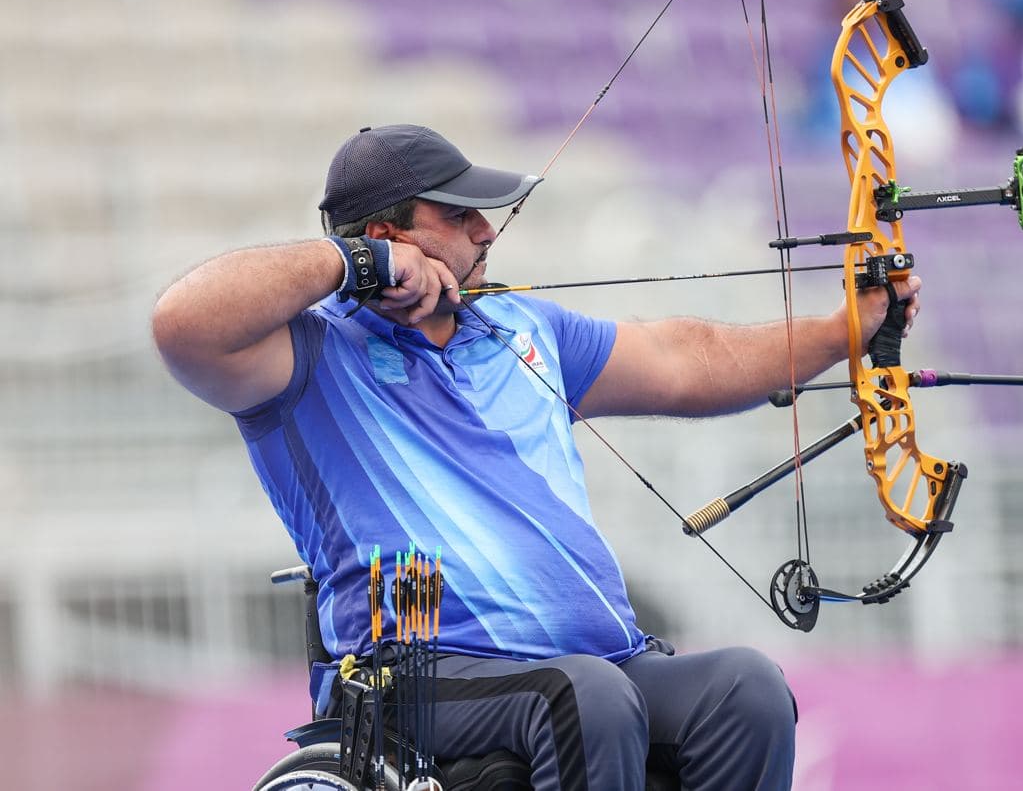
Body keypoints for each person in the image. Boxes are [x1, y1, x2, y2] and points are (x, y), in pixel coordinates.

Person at [151, 124, 921, 791]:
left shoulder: (523, 330)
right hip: (416, 681)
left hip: (598, 666)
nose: (487, 229)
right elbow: (181, 322)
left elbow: (690, 359)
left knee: (744, 689)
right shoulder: (310, 356)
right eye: (458, 214)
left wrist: (844, 329)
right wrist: (350, 265)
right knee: (582, 697)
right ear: (385, 238)